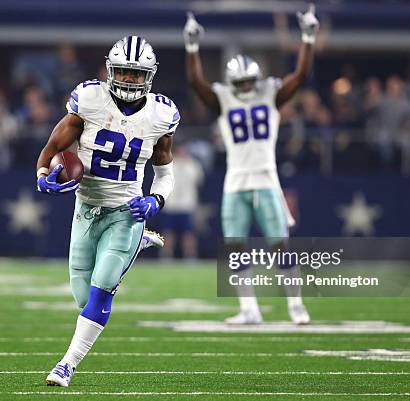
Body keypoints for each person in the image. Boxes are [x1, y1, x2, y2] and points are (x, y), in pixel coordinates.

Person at [35, 36, 178, 387]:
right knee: (83, 297)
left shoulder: (161, 115)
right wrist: (42, 176)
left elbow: (165, 171)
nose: (130, 79)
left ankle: (66, 365)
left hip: (127, 212)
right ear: (111, 70)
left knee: (101, 291)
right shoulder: (89, 99)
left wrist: (155, 200)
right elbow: (53, 146)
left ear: (150, 76)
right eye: (125, 72)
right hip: (86, 207)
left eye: (137, 73)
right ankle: (139, 244)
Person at [183, 5, 319, 325]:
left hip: (266, 178)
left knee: (280, 245)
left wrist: (308, 38)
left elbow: (299, 76)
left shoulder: (271, 93)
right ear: (232, 82)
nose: (245, 87)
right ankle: (248, 309)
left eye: (249, 82)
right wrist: (192, 47)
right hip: (236, 181)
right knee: (235, 247)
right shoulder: (223, 98)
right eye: (240, 83)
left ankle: (297, 306)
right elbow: (196, 82)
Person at [158, 144, 204, 260]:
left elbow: (198, 182)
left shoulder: (193, 164)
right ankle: (166, 256)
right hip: (171, 204)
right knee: (168, 232)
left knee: (189, 233)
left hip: (186, 205)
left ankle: (190, 256)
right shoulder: (169, 164)